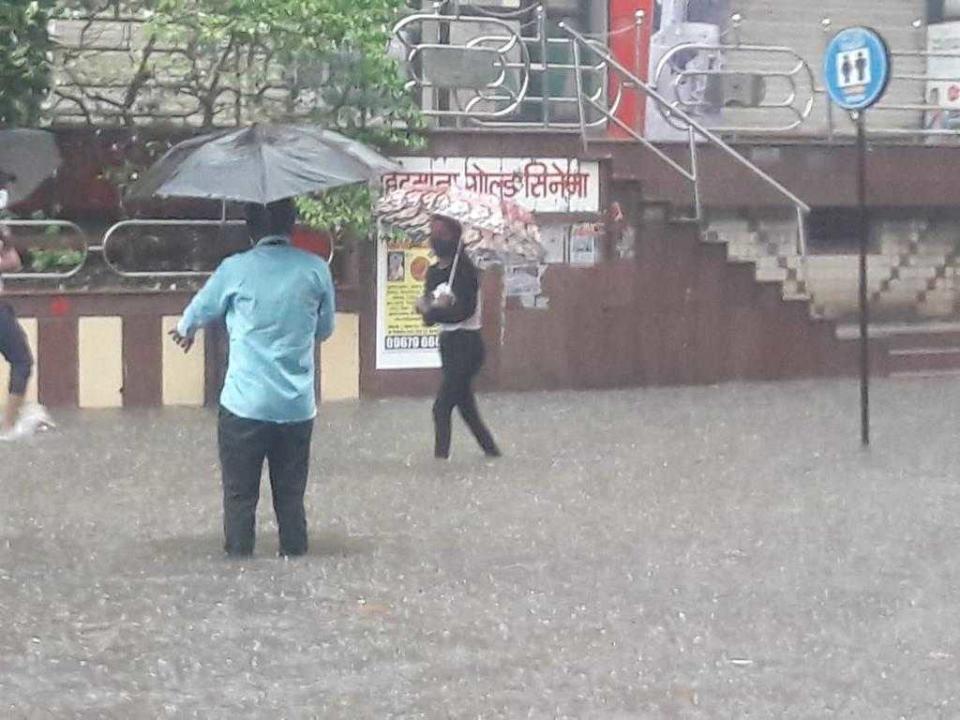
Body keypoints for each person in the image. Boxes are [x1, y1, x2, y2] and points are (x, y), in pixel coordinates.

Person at [169, 199, 336, 558]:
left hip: (244, 407)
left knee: (239, 497)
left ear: (250, 228)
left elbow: (203, 305)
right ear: (292, 226)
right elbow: (324, 329)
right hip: (296, 407)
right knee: (291, 499)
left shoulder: (235, 269)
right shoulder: (316, 270)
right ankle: (295, 564)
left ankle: (240, 573)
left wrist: (186, 327)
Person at [416, 215, 500, 460]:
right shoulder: (433, 273)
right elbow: (430, 319)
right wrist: (425, 308)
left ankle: (440, 466)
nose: (436, 239)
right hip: (448, 346)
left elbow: (465, 312)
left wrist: (441, 307)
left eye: (441, 233)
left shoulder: (466, 271)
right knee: (466, 408)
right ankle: (492, 453)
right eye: (433, 233)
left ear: (455, 237)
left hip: (468, 346)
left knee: (441, 408)